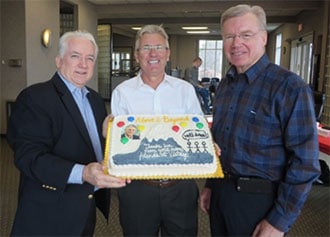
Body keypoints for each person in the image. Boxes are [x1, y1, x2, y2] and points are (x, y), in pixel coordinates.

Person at [199, 4, 320, 237]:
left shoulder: (290, 87)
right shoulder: (225, 85)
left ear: (263, 38)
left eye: (246, 35)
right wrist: (211, 185)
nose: (236, 43)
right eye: (229, 36)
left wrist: (279, 221)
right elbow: (221, 143)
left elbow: (305, 163)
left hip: (261, 202)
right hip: (222, 194)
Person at [6, 30, 129, 236]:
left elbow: (90, 146)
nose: (83, 64)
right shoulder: (35, 97)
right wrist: (82, 173)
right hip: (48, 213)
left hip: (84, 208)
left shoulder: (95, 101)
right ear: (58, 60)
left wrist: (111, 139)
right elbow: (28, 157)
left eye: (89, 58)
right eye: (75, 56)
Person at [109, 24, 203, 236]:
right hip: (138, 189)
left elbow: (198, 132)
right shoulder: (122, 93)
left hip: (180, 187)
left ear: (168, 54)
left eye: (159, 47)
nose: (153, 53)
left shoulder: (185, 91)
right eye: (146, 48)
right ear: (136, 55)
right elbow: (122, 142)